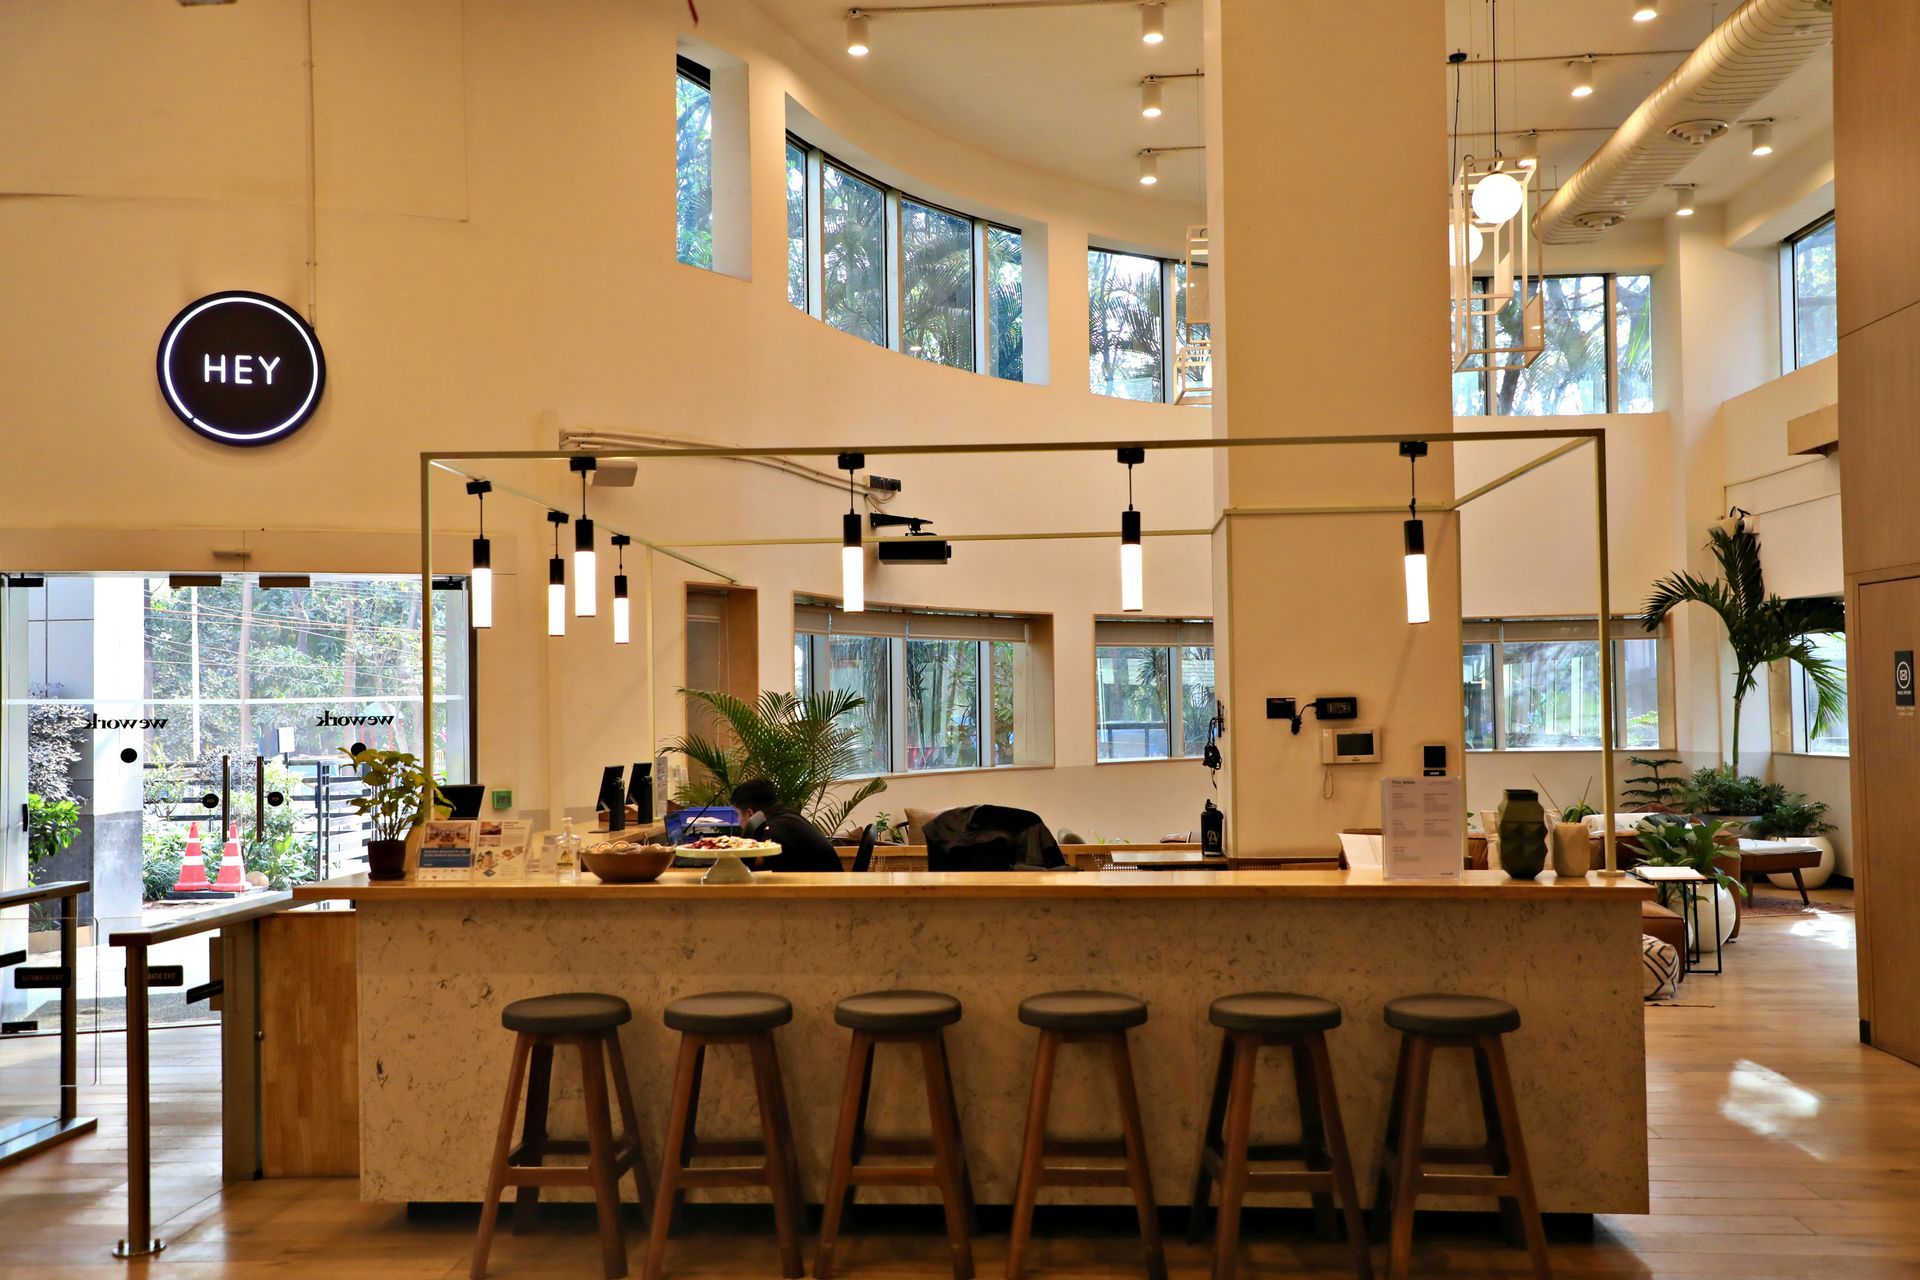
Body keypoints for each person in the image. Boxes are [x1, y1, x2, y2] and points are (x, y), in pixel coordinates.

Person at [731, 779, 844, 873]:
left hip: (826, 890)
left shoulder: (774, 830)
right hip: (826, 885)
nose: (738, 821)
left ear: (750, 813)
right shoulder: (788, 819)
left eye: (737, 814)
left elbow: (748, 868)